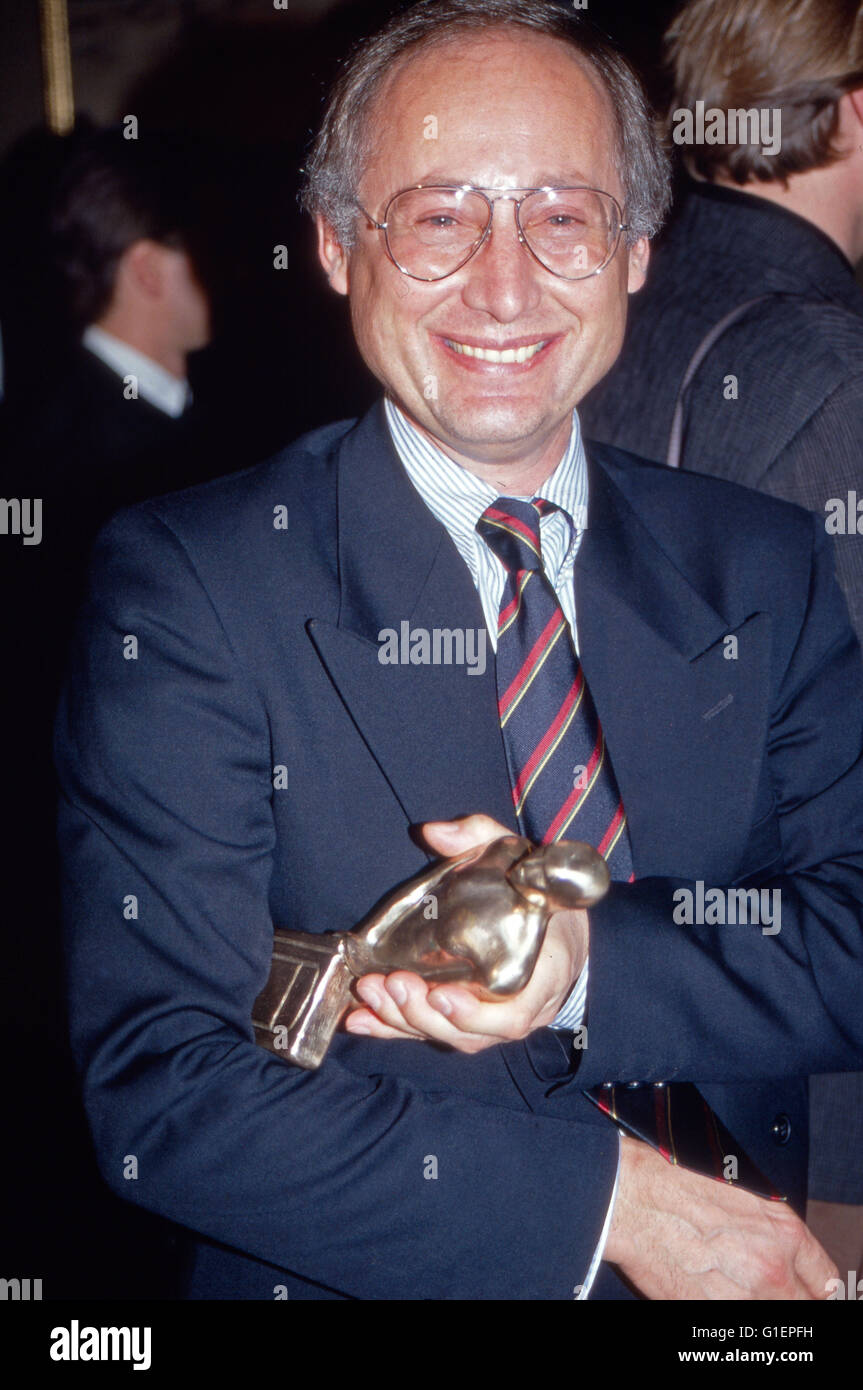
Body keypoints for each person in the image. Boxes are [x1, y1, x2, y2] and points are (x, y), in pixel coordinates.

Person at [55, 0, 863, 1301]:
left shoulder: (757, 558)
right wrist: (624, 1212)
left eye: (560, 215)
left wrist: (582, 968)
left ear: (635, 248)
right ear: (332, 244)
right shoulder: (193, 583)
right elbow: (167, 1095)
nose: (503, 283)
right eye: (437, 216)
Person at [579, 0, 863, 1272]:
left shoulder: (608, 294)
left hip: (617, 1052)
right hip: (798, 1100)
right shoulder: (825, 367)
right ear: (854, 108)